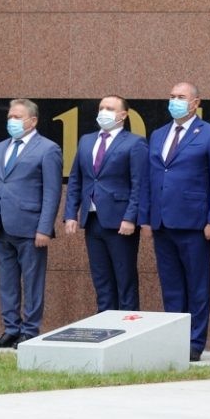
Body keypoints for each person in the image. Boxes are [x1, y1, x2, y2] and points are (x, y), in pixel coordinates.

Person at [145, 82, 210, 362]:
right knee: (171, 286)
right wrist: (147, 217)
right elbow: (152, 178)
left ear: (195, 103)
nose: (174, 101)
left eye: (181, 97)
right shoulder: (158, 134)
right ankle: (174, 338)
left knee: (197, 285)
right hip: (162, 222)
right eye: (171, 96)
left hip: (195, 223)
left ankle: (195, 342)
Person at [0, 98, 62, 347]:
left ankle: (30, 329)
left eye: (17, 117)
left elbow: (52, 192)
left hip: (31, 227)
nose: (11, 121)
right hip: (2, 225)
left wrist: (45, 228)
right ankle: (11, 328)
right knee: (7, 281)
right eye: (10, 117)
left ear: (32, 121)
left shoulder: (48, 149)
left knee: (32, 281)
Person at [63, 95, 147, 311]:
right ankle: (105, 324)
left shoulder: (134, 142)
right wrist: (71, 213)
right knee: (101, 278)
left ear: (123, 115)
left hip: (121, 222)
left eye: (110, 108)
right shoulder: (86, 140)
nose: (103, 112)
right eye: (101, 107)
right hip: (92, 219)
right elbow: (76, 178)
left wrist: (131, 217)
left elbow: (139, 184)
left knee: (124, 277)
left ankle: (128, 327)